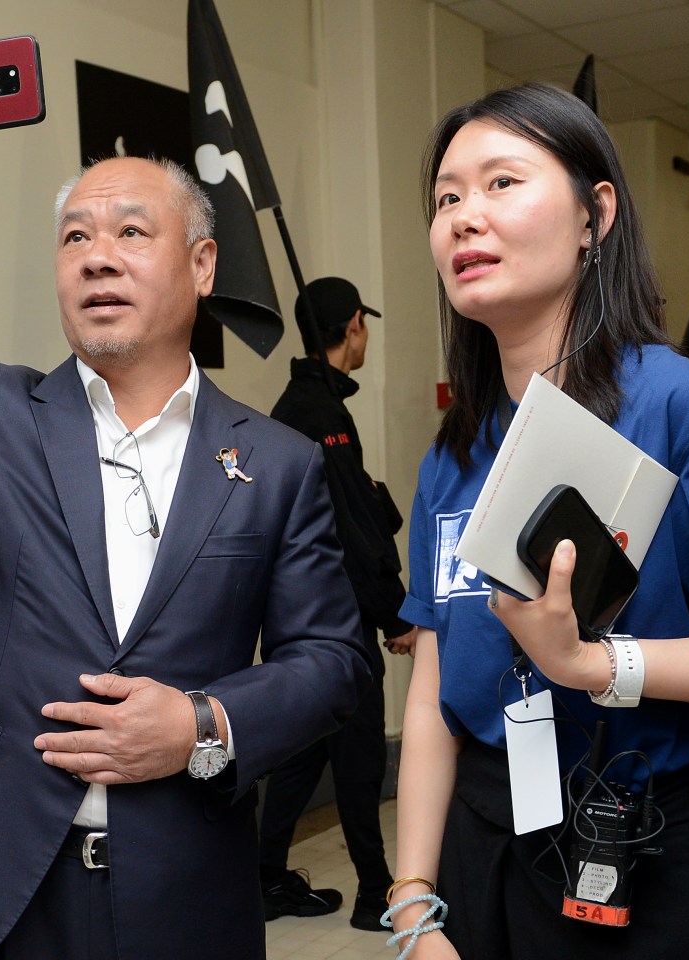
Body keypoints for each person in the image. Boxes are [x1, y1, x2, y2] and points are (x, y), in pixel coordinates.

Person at [0, 41, 369, 960]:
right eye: (76, 237)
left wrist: (201, 724)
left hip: (184, 886)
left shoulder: (278, 462)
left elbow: (332, 660)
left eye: (133, 232)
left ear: (204, 265)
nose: (98, 257)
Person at [387, 83, 689, 960]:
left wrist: (593, 664)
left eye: (502, 182)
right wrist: (412, 900)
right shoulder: (459, 446)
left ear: (595, 215)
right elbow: (434, 690)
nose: (466, 216)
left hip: (642, 836)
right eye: (446, 198)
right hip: (481, 834)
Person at [257, 277, 415, 931]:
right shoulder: (322, 418)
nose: (366, 335)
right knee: (358, 757)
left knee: (302, 755)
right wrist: (394, 611)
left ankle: (265, 880)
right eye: (364, 324)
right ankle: (377, 896)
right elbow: (352, 528)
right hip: (337, 623)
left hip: (295, 623)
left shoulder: (295, 407)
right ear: (352, 326)